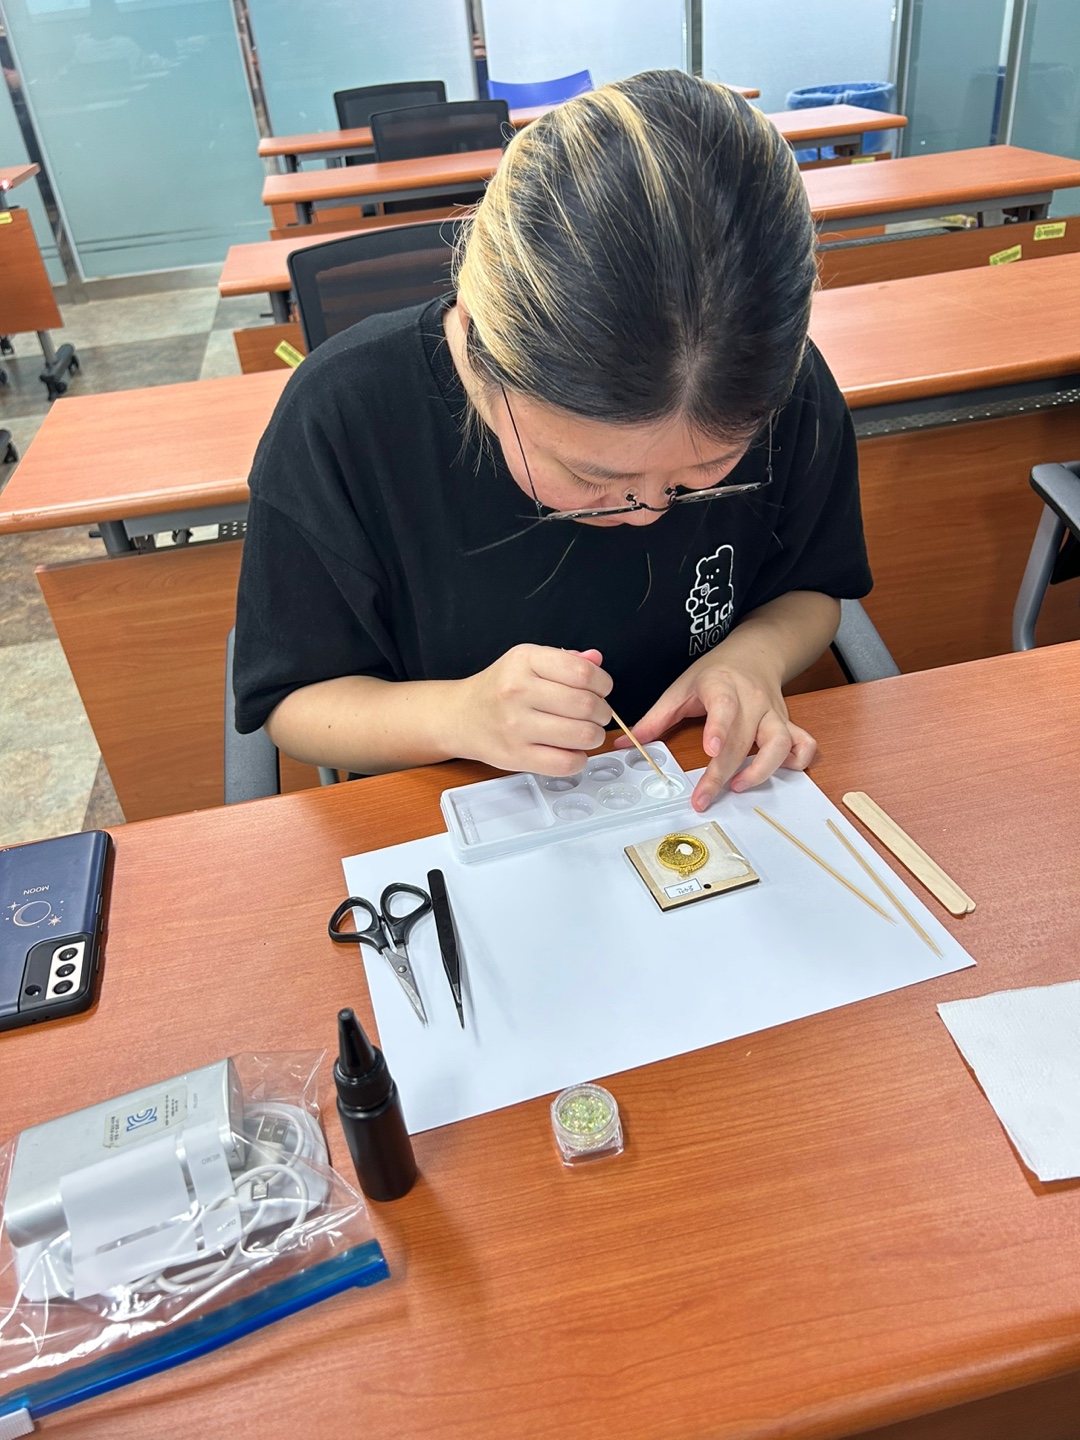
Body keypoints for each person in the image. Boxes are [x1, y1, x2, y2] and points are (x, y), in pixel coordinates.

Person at [233, 69, 871, 813]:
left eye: (705, 473)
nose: (649, 511)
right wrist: (458, 714)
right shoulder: (342, 417)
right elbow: (294, 701)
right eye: (591, 475)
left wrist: (753, 655)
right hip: (454, 810)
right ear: (483, 350)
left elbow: (812, 585)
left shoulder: (774, 382)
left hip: (693, 792)